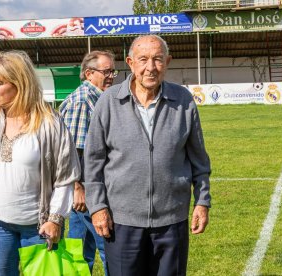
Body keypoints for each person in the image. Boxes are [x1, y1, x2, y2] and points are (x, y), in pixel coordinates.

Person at [83, 34, 212, 275]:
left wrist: (202, 201)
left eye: (158, 59)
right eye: (143, 59)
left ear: (168, 62)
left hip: (172, 221)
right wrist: (98, 206)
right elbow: (92, 162)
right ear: (130, 63)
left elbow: (199, 160)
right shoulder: (109, 102)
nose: (150, 68)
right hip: (121, 222)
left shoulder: (183, 101)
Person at [0, 50, 80, 276]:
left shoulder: (50, 123)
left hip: (39, 227)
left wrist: (56, 219)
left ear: (20, 83)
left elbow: (65, 177)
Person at [59, 50, 117, 276]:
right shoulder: (82, 101)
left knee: (80, 252)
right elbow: (71, 150)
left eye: (113, 71)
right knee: (109, 248)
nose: (111, 75)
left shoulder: (97, 97)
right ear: (89, 73)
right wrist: (78, 188)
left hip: (89, 191)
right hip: (87, 192)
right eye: (106, 71)